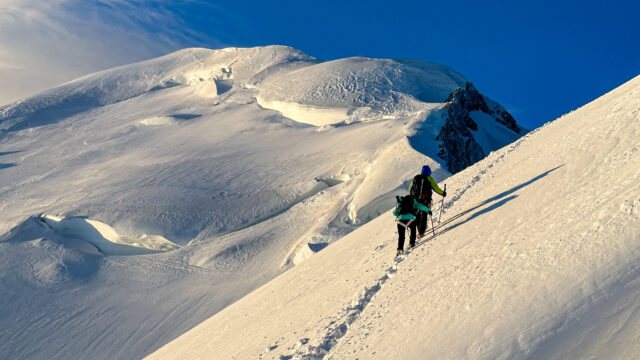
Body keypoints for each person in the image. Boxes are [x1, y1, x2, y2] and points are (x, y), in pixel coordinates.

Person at [408, 165, 446, 239]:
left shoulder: (415, 178)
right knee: (424, 215)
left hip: (415, 200)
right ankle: (421, 233)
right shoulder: (429, 179)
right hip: (425, 200)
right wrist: (443, 193)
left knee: (417, 216)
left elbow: (410, 189)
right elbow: (436, 188)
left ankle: (419, 231)